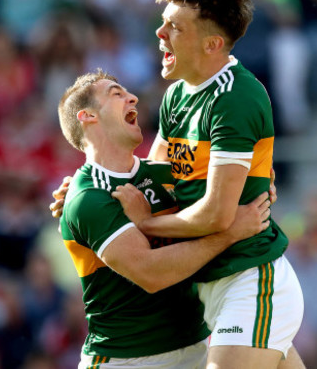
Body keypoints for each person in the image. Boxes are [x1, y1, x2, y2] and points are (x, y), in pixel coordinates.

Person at [53, 0, 305, 369]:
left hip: (248, 277)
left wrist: (144, 224)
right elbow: (156, 175)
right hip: (209, 290)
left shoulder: (235, 97)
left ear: (212, 44)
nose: (160, 33)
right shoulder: (178, 95)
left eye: (174, 26)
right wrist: (88, 190)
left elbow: (218, 217)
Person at [56, 69, 271, 368]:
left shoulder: (162, 174)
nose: (132, 97)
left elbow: (245, 189)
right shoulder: (87, 199)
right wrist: (229, 234)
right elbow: (152, 274)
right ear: (88, 116)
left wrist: (257, 185)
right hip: (125, 359)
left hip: (196, 348)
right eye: (116, 93)